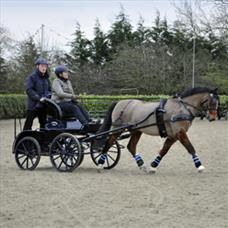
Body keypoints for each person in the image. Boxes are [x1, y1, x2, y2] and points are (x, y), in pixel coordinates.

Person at [23, 58, 51, 130]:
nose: (44, 68)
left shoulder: (46, 79)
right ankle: (25, 140)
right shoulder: (32, 77)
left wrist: (47, 96)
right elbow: (29, 90)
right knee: (28, 124)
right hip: (33, 105)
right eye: (42, 66)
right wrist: (38, 98)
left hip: (43, 105)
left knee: (44, 124)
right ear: (37, 66)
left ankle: (42, 140)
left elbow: (50, 90)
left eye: (45, 66)